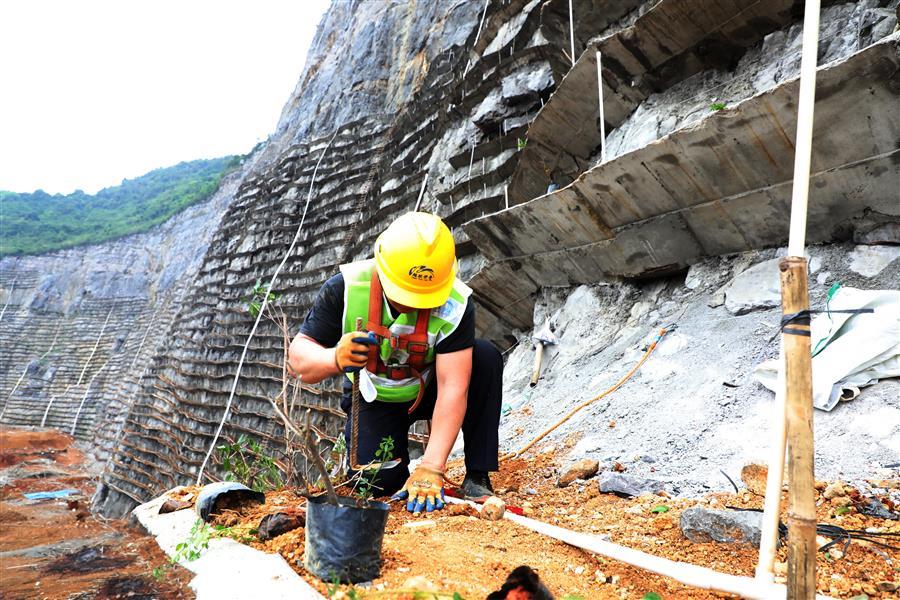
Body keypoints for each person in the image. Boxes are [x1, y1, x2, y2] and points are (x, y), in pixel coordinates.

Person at [287, 211, 503, 512]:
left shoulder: (456, 304)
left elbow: (453, 387)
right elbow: (299, 359)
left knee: (485, 358)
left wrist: (431, 468)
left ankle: (478, 475)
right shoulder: (346, 288)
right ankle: (396, 475)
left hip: (428, 389)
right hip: (375, 395)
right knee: (377, 484)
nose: (413, 303)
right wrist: (334, 357)